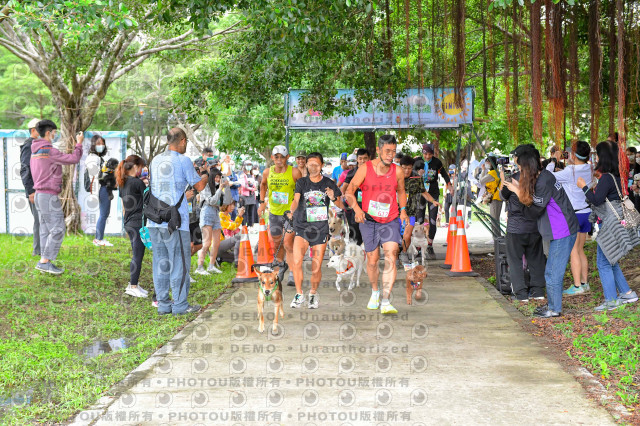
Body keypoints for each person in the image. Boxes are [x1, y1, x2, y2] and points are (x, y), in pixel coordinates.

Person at [504, 145, 578, 318]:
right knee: (551, 271)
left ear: (527, 165)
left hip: (563, 230)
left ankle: (554, 309)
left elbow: (534, 211)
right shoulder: (542, 176)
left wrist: (518, 192)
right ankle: (553, 305)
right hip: (559, 229)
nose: (519, 170)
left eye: (521, 166)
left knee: (552, 272)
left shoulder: (544, 180)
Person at [345, 135, 409, 315]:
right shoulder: (365, 169)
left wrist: (403, 209)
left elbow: (401, 191)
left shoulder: (397, 171)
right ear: (379, 150)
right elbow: (349, 191)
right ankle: (375, 292)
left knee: (391, 256)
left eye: (394, 152)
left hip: (391, 219)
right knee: (372, 261)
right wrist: (357, 209)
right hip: (369, 220)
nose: (391, 155)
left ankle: (386, 301)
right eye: (387, 151)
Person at [147, 128, 208, 315]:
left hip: (154, 221)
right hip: (176, 223)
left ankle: (164, 304)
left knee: (160, 263)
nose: (186, 145)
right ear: (182, 140)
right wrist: (206, 174)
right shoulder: (183, 160)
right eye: (186, 142)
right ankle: (180, 305)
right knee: (179, 264)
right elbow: (198, 185)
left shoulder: (155, 160)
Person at [578, 141, 639, 311]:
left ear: (603, 156)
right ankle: (627, 293)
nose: (596, 157)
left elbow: (596, 200)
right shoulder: (618, 175)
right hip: (617, 222)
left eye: (597, 154)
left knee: (603, 262)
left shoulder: (606, 178)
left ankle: (611, 300)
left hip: (610, 225)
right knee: (611, 259)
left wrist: (584, 187)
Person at [286, 152, 345, 309]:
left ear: (322, 165)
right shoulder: (302, 182)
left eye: (316, 164)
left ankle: (312, 293)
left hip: (320, 230)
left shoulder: (328, 183)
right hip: (302, 227)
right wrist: (291, 211)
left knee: (316, 266)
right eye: (310, 164)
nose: (313, 167)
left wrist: (333, 197)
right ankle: (299, 294)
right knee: (297, 261)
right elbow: (296, 199)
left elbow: (341, 205)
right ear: (306, 165)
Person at [30, 120, 84, 274]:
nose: (55, 135)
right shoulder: (49, 151)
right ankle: (44, 262)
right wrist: (79, 144)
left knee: (46, 229)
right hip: (48, 195)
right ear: (48, 132)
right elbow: (73, 159)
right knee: (58, 228)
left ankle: (44, 262)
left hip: (40, 194)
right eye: (54, 132)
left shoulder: (35, 150)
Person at [546, 141, 593, 296]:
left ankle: (577, 286)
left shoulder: (570, 170)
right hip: (586, 212)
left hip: (574, 215)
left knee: (573, 250)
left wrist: (553, 160)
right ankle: (585, 283)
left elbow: (547, 176)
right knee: (580, 249)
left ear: (573, 155)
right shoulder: (590, 167)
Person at [500, 145, 546, 301]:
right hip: (534, 226)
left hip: (516, 227)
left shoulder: (513, 177)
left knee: (515, 260)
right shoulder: (539, 178)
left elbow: (503, 195)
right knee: (536, 259)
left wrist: (503, 180)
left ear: (519, 161)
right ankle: (538, 291)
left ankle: (521, 294)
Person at [258, 145, 302, 285]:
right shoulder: (267, 172)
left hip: (290, 214)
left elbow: (301, 190)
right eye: (276, 157)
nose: (279, 160)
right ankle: (282, 265)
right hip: (274, 213)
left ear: (287, 158)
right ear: (272, 158)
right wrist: (262, 202)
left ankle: (293, 274)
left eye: (282, 157)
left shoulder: (294, 172)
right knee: (277, 243)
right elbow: (263, 185)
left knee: (288, 243)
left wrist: (296, 208)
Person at [115, 155, 149, 298]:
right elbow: (148, 201)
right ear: (135, 166)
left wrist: (125, 223)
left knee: (137, 254)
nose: (141, 170)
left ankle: (134, 284)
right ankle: (133, 285)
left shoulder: (123, 183)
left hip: (128, 222)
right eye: (141, 167)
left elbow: (123, 206)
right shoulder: (137, 183)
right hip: (138, 223)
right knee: (137, 255)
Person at [398, 155, 440, 265]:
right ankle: (395, 255)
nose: (406, 170)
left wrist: (433, 201)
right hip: (395, 213)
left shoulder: (416, 178)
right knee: (396, 237)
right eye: (404, 168)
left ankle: (404, 253)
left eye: (409, 168)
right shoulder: (395, 177)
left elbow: (424, 192)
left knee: (407, 235)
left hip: (411, 213)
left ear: (412, 167)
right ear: (400, 167)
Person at [421, 143, 453, 259]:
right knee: (419, 220)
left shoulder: (437, 162)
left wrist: (449, 185)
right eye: (425, 154)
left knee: (433, 220)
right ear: (422, 153)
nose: (427, 156)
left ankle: (430, 245)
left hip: (433, 192)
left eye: (430, 154)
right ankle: (419, 247)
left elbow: (444, 174)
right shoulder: (418, 161)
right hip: (421, 193)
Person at [196, 168, 226, 275]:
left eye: (219, 177)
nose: (218, 179)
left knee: (216, 243)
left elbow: (221, 203)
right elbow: (212, 201)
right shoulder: (206, 187)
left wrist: (223, 189)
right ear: (212, 177)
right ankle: (199, 267)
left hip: (215, 214)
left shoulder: (219, 187)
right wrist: (219, 190)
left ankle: (211, 266)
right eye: (216, 177)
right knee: (207, 243)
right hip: (207, 213)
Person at [85, 134, 114, 247]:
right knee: (104, 213)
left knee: (104, 213)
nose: (101, 145)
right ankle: (98, 239)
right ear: (93, 145)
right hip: (102, 187)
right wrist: (107, 171)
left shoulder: (98, 158)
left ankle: (99, 238)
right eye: (98, 143)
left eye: (102, 143)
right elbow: (95, 173)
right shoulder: (92, 157)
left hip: (104, 187)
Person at [19, 118, 42, 257]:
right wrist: (30, 192)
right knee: (39, 220)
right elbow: (25, 169)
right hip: (35, 190)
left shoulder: (39, 145)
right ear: (33, 130)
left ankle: (43, 250)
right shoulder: (29, 146)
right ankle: (37, 251)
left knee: (43, 219)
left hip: (42, 188)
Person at [341, 148, 370, 245]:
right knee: (355, 232)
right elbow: (343, 189)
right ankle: (354, 255)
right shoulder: (352, 172)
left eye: (365, 158)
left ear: (369, 159)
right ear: (357, 159)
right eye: (360, 158)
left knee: (369, 234)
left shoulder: (374, 172)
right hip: (354, 207)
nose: (362, 161)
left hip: (370, 208)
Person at [479, 155, 503, 238]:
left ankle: (496, 238)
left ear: (492, 163)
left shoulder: (492, 174)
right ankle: (496, 237)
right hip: (496, 198)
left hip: (495, 198)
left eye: (487, 162)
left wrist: (483, 170)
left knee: (494, 219)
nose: (486, 164)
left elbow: (481, 181)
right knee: (495, 219)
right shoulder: (496, 172)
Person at [218, 200, 244, 265]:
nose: (233, 207)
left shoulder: (227, 216)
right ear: (225, 205)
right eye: (231, 205)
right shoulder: (220, 216)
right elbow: (233, 226)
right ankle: (237, 263)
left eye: (233, 205)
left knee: (243, 258)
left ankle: (220, 259)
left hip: (223, 245)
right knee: (238, 238)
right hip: (217, 245)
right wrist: (239, 216)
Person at [238, 159, 258, 227]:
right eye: (247, 165)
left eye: (250, 165)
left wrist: (254, 188)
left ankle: (250, 226)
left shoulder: (252, 175)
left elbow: (255, 184)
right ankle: (244, 226)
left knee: (251, 212)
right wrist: (252, 189)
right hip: (245, 196)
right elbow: (244, 185)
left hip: (252, 196)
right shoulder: (242, 175)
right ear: (244, 166)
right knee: (245, 212)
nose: (249, 167)